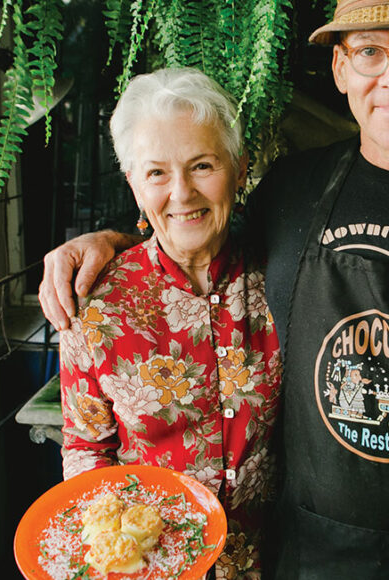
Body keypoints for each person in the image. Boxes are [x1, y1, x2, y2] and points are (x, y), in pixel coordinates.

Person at [41, 1, 389, 576]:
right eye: (369, 52)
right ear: (339, 69)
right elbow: (192, 227)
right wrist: (108, 244)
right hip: (308, 556)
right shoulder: (289, 191)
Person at [56, 67, 281, 579]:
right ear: (134, 185)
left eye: (202, 165)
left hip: (277, 558)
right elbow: (87, 449)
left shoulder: (286, 276)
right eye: (156, 172)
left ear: (240, 168)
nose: (182, 193)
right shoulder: (93, 304)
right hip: (152, 566)